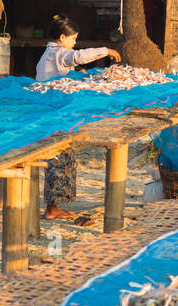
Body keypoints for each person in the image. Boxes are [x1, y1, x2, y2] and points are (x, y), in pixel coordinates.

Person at [36, 15, 120, 220]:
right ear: (63, 37)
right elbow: (78, 56)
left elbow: (69, 68)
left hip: (51, 112)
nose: (74, 43)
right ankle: (52, 208)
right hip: (55, 115)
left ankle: (54, 206)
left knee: (60, 158)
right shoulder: (60, 53)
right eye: (73, 39)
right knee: (59, 158)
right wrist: (106, 50)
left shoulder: (50, 53)